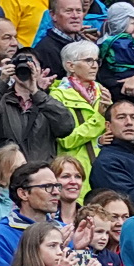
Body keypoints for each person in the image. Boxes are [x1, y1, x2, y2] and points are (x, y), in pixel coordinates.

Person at [0, 43, 74, 163]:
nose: (26, 67)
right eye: (19, 64)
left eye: (32, 65)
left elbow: (66, 127)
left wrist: (35, 91)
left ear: (41, 71)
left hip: (40, 175)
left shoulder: (49, 101)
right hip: (8, 174)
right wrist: (2, 81)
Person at [47, 40, 108, 192]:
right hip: (74, 170)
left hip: (104, 167)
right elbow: (66, 140)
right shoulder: (57, 96)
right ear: (70, 66)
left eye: (96, 60)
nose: (94, 65)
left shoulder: (102, 91)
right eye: (88, 60)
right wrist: (98, 119)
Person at [0, 162, 62, 266]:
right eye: (47, 187)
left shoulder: (64, 230)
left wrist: (85, 250)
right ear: (23, 194)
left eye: (57, 186)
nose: (56, 192)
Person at [88, 99, 134, 213]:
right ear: (108, 126)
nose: (129, 122)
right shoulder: (107, 162)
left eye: (133, 117)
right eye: (121, 117)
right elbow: (132, 200)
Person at [32, 0, 91, 80]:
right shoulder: (45, 49)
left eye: (79, 11)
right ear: (53, 15)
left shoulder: (86, 44)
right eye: (69, 11)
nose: (75, 16)